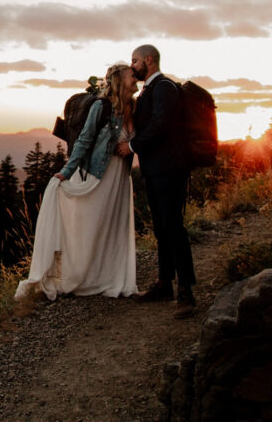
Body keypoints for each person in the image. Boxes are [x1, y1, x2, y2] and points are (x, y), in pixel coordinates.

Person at [15, 62, 138, 300]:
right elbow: (84, 140)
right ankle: (83, 277)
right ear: (119, 79)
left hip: (121, 179)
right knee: (92, 225)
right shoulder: (102, 107)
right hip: (100, 176)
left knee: (114, 227)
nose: (136, 80)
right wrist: (67, 171)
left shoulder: (134, 107)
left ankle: (111, 277)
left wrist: (131, 145)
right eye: (132, 76)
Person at [118, 44, 196, 319]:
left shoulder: (164, 87)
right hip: (155, 170)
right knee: (162, 228)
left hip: (170, 169)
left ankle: (186, 291)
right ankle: (165, 284)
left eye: (135, 60)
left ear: (148, 60)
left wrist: (134, 145)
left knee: (174, 227)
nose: (133, 65)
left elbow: (161, 123)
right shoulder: (150, 90)